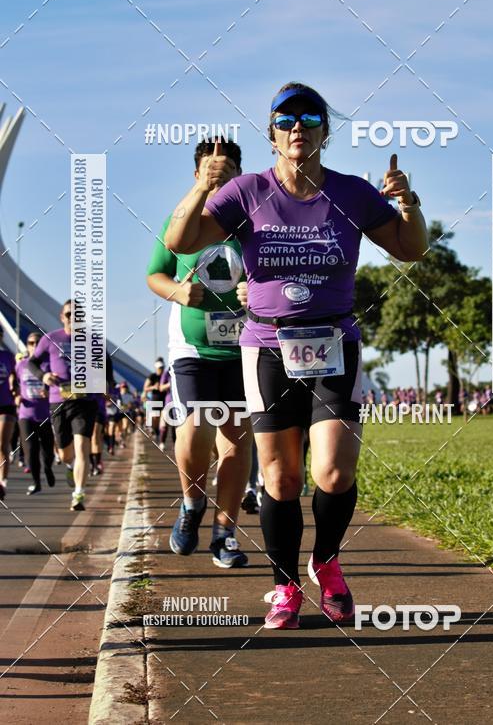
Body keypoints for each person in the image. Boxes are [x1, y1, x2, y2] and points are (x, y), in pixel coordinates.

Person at [165, 81, 428, 628]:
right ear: (273, 133)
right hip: (266, 345)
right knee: (281, 480)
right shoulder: (245, 191)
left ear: (324, 132)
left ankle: (326, 563)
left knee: (333, 471)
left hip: (334, 341)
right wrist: (200, 187)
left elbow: (410, 249)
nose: (297, 130)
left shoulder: (352, 193)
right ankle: (284, 585)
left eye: (309, 121)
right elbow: (180, 243)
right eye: (286, 122)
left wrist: (409, 204)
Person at [147, 139, 252, 568]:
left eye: (227, 172)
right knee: (195, 426)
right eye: (210, 170)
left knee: (236, 441)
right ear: (196, 174)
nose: (218, 177)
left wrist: (258, 292)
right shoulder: (181, 222)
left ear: (240, 176)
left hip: (246, 347)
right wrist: (177, 290)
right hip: (193, 349)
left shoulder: (254, 222)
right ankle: (192, 505)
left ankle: (225, 533)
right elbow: (156, 274)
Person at [28, 300, 98, 511]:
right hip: (58, 401)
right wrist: (44, 375)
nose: (72, 318)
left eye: (77, 314)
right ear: (62, 317)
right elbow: (32, 362)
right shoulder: (50, 339)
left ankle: (78, 494)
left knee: (82, 448)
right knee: (66, 453)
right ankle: (69, 465)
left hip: (84, 401)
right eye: (69, 314)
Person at [14, 331, 55, 495]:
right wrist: (16, 396)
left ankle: (48, 468)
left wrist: (50, 391)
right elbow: (17, 384)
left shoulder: (48, 364)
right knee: (30, 449)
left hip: (45, 413)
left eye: (37, 342)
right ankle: (36, 483)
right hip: (26, 414)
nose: (34, 345)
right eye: (30, 343)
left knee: (48, 451)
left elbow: (59, 386)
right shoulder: (21, 365)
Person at [0, 325, 17, 501]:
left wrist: (14, 386)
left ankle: (2, 482)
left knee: (2, 444)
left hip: (6, 404)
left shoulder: (8, 357)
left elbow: (15, 375)